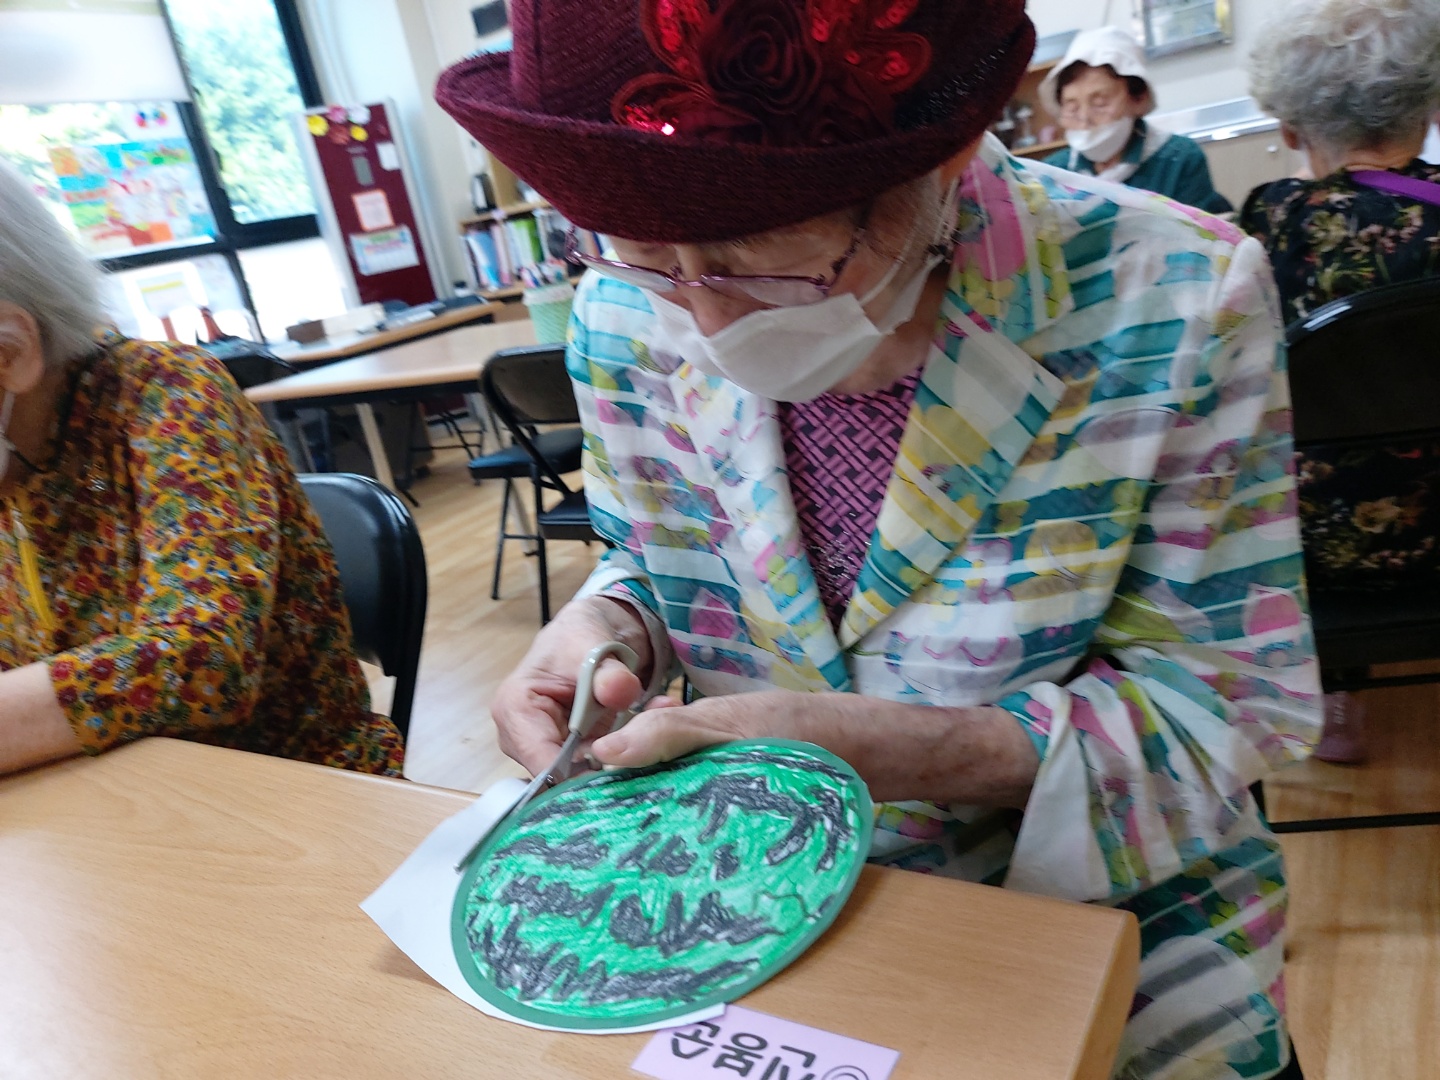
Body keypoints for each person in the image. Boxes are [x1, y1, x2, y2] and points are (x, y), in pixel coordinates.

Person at [438, 1, 1319, 1076]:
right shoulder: (622, 315)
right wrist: (612, 623)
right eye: (645, 255)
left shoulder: (1174, 296)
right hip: (744, 900)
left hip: (1108, 924)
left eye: (770, 256)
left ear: (941, 164)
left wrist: (878, 747)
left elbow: (1225, 704)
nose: (708, 323)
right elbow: (657, 551)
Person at [0, 162, 402, 778]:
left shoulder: (168, 395)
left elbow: (204, 657)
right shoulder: (16, 470)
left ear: (11, 351)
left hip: (295, 791)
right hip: (111, 796)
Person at [1241, 0, 1440, 764]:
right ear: (1428, 111)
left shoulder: (1272, 223)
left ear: (1290, 129)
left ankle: (1334, 701)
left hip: (1311, 553)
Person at [1041, 26, 1232, 214]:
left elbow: (1195, 231)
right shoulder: (1052, 172)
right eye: (1072, 108)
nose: (1084, 120)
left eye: (1100, 104)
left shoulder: (1179, 160)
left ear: (1138, 100)